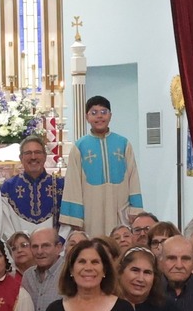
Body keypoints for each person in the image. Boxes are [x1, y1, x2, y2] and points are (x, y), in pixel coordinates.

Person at [60, 95, 143, 235]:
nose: (99, 116)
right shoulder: (80, 146)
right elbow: (73, 184)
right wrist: (75, 217)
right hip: (91, 209)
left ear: (110, 115)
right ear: (87, 117)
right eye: (94, 113)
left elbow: (133, 176)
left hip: (119, 206)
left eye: (104, 112)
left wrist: (136, 209)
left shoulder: (123, 144)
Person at [0, 135, 62, 241]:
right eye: (28, 153)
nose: (33, 157)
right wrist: (19, 245)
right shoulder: (8, 188)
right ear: (21, 158)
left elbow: (67, 221)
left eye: (37, 152)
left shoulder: (60, 185)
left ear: (45, 156)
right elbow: (5, 225)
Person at [22, 226, 64, 311]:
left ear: (58, 248)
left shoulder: (69, 272)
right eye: (35, 246)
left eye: (45, 246)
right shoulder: (28, 276)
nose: (39, 251)